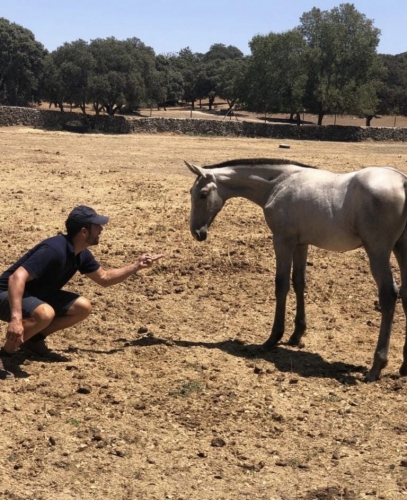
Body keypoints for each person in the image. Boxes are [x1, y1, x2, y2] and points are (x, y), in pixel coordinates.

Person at [0, 205, 164, 380]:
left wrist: (136, 266)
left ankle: (33, 341)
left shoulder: (80, 253)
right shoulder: (54, 249)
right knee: (45, 313)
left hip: (36, 295)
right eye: (97, 226)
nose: (101, 229)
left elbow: (105, 278)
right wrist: (16, 319)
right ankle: (4, 355)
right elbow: (16, 278)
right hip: (6, 294)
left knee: (82, 307)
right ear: (84, 232)